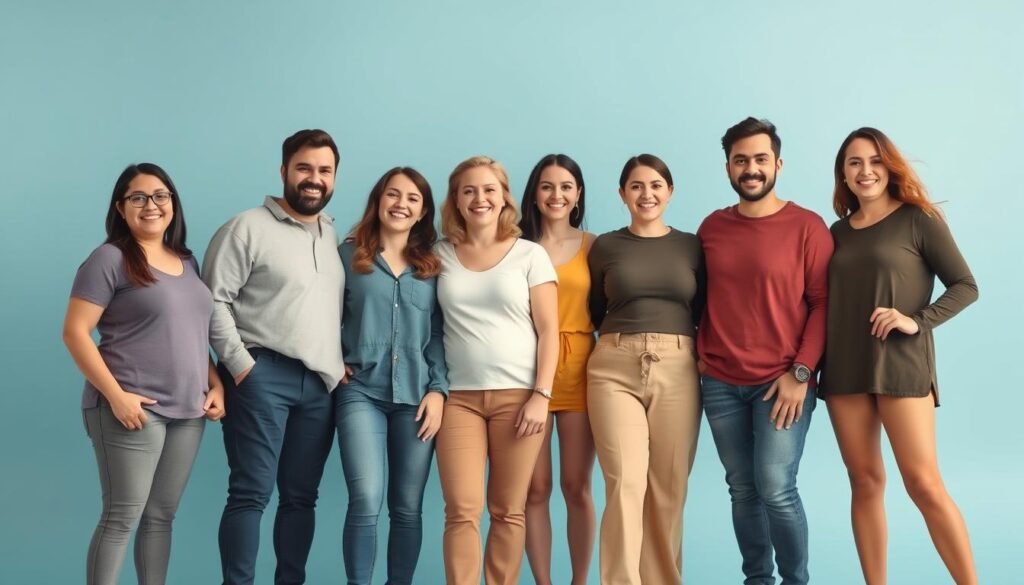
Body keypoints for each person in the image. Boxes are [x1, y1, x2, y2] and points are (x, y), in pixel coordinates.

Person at [821, 127, 979, 585]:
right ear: (843, 174)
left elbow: (966, 285)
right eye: (854, 162)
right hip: (845, 368)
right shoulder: (836, 232)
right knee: (865, 482)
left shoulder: (918, 219)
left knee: (923, 484)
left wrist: (917, 320)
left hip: (901, 364)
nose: (865, 171)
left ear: (889, 167)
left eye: (875, 161)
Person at [63, 163, 224, 585]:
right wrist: (116, 397)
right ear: (121, 207)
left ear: (173, 203)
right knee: (122, 516)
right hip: (132, 408)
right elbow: (75, 332)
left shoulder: (186, 261)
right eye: (138, 197)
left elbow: (191, 332)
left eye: (160, 195)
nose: (151, 205)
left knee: (160, 516)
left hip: (188, 411)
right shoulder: (109, 259)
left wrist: (215, 383)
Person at [202, 129, 346, 585]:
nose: (314, 179)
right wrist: (242, 366)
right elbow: (211, 301)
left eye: (324, 171)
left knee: (301, 498)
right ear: (284, 171)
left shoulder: (330, 234)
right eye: (304, 168)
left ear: (334, 177)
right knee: (251, 493)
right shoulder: (246, 227)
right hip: (261, 376)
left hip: (319, 389)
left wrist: (338, 363)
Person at [698, 117, 832, 585]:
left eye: (759, 159)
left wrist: (801, 373)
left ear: (778, 164)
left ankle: (795, 581)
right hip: (720, 383)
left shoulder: (807, 227)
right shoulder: (712, 227)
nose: (750, 169)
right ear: (728, 168)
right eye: (740, 160)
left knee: (776, 488)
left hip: (782, 382)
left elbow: (824, 304)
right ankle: (757, 580)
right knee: (742, 490)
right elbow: (699, 297)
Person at [433, 156, 559, 585]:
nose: (479, 198)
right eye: (468, 190)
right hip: (458, 401)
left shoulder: (530, 255)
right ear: (456, 200)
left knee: (508, 510)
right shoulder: (439, 254)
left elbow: (549, 330)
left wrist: (541, 396)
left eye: (489, 189)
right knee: (461, 510)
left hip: (520, 400)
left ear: (504, 196)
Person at [586, 154, 704, 585]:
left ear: (670, 192)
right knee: (625, 483)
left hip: (679, 365)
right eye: (636, 186)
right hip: (614, 366)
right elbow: (595, 309)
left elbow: (702, 308)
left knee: (669, 488)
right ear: (622, 194)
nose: (646, 194)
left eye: (655, 185)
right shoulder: (605, 247)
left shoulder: (691, 246)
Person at [335, 166, 448, 585]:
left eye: (412, 198)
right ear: (378, 201)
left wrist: (439, 390)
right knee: (366, 499)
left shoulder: (434, 266)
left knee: (407, 507)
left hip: (417, 397)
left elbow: (439, 333)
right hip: (360, 393)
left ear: (423, 211)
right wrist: (332, 358)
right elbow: (320, 311)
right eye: (393, 195)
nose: (401, 204)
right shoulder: (347, 257)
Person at [518, 154, 597, 585]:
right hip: (524, 371)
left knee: (576, 486)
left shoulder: (593, 245)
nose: (556, 195)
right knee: (535, 488)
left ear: (578, 194)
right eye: (547, 186)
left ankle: (579, 581)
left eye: (566, 186)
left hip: (581, 369)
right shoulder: (515, 243)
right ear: (534, 193)